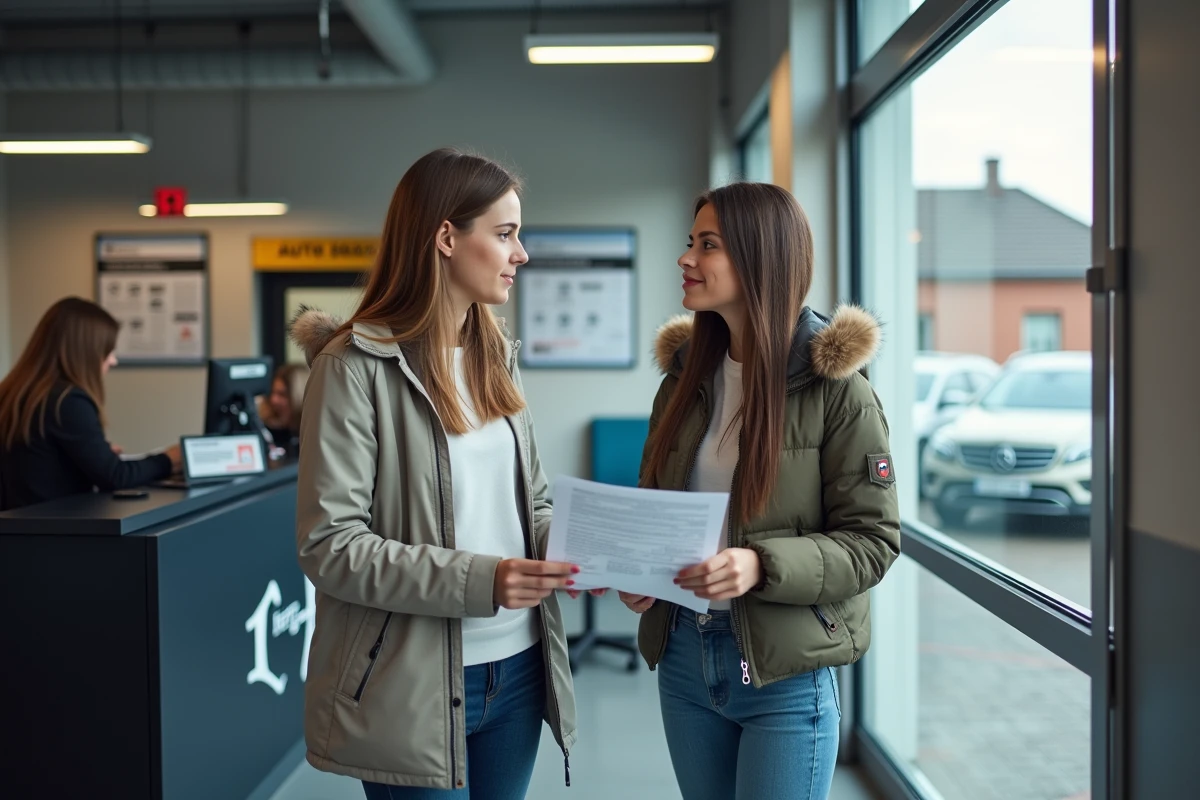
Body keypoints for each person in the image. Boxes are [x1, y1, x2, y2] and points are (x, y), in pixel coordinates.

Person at [290, 147, 578, 799]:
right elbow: (330, 546)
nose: (521, 254)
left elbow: (530, 502)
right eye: (505, 234)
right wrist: (485, 580)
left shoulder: (497, 358)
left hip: (519, 667)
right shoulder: (352, 368)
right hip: (408, 683)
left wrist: (580, 551)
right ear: (447, 237)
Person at [619, 183, 901, 800]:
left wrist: (759, 565)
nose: (686, 258)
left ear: (760, 257)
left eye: (708, 245)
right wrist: (641, 573)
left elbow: (872, 543)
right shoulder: (682, 381)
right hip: (684, 660)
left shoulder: (838, 391)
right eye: (691, 242)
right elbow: (656, 506)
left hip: (786, 675)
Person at [0, 297, 182, 511]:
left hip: (20, 525)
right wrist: (169, 458)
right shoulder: (67, 400)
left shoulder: (15, 392)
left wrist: (95, 454)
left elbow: (37, 462)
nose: (113, 361)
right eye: (108, 351)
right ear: (85, 351)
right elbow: (116, 477)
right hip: (57, 525)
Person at [258, 363, 309, 454]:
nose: (273, 400)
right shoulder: (266, 431)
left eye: (282, 395)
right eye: (272, 392)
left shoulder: (312, 436)